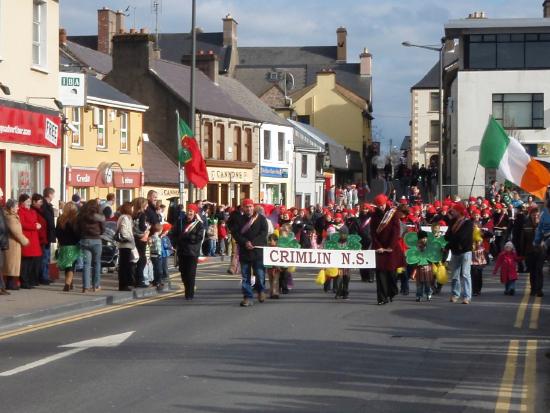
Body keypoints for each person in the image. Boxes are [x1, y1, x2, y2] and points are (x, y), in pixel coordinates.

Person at [233, 198, 268, 307]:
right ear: (243, 208)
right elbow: (236, 234)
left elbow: (264, 233)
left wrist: (253, 242)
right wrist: (245, 242)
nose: (249, 208)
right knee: (245, 276)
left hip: (258, 251)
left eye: (251, 206)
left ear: (253, 207)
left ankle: (261, 290)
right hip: (245, 251)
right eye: (246, 207)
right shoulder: (239, 219)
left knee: (260, 273)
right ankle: (247, 297)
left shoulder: (261, 219)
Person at [370, 194, 402, 305]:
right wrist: (378, 246)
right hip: (380, 248)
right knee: (380, 274)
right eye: (379, 205)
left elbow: (396, 231)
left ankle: (392, 292)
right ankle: (382, 298)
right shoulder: (374, 216)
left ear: (386, 203)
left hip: (391, 248)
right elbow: (373, 233)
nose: (381, 207)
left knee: (391, 273)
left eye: (382, 205)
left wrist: (390, 247)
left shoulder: (393, 214)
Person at [445, 203, 474, 304]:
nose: (453, 212)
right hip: (455, 251)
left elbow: (462, 237)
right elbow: (447, 235)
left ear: (459, 211)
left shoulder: (468, 223)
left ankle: (467, 296)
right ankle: (455, 294)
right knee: (454, 275)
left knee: (466, 274)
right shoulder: (452, 221)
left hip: (465, 251)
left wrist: (450, 242)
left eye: (455, 210)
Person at [176, 203, 204, 300]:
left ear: (195, 212)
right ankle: (187, 288)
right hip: (182, 251)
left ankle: (189, 293)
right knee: (183, 273)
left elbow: (198, 237)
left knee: (190, 273)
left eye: (191, 211)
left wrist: (186, 237)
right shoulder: (180, 222)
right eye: (188, 210)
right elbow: (174, 233)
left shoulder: (199, 224)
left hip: (192, 252)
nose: (189, 212)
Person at [77, 200, 105, 292]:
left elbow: (78, 228)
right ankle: (96, 286)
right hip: (96, 240)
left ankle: (86, 286)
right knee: (97, 263)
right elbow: (103, 229)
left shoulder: (81, 216)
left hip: (85, 240)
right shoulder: (99, 217)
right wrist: (99, 232)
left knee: (86, 264)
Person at [3, 199, 29, 291]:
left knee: (11, 264)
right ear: (11, 208)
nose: (18, 208)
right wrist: (25, 241)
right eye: (16, 206)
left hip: (13, 244)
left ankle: (10, 283)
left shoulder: (11, 216)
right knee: (11, 264)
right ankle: (10, 284)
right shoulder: (10, 218)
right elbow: (16, 232)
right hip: (12, 244)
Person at [55, 202, 81, 292]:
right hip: (73, 245)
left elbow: (57, 232)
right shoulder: (76, 219)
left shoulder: (60, 219)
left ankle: (70, 283)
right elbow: (77, 233)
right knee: (71, 265)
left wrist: (60, 241)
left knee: (67, 265)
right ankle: (67, 284)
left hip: (63, 245)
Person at [18, 193, 42, 289]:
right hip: (27, 237)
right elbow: (22, 224)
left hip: (34, 238)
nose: (29, 203)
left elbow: (35, 221)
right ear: (22, 202)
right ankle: (24, 281)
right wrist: (34, 226)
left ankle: (30, 280)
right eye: (27, 201)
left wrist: (37, 224)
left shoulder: (32, 211)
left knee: (32, 261)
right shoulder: (20, 211)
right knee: (26, 262)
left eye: (29, 201)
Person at [116, 202, 136, 291]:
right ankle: (123, 285)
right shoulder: (124, 218)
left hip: (127, 244)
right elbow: (124, 231)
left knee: (126, 264)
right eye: (131, 208)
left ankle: (126, 283)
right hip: (125, 244)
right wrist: (130, 238)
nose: (132, 209)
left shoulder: (126, 218)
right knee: (124, 265)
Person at [132, 197, 150, 288]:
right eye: (146, 204)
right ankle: (140, 280)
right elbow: (142, 227)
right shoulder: (142, 215)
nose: (147, 205)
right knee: (142, 260)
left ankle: (136, 280)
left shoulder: (134, 214)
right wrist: (148, 228)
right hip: (141, 238)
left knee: (137, 259)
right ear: (143, 205)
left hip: (134, 238)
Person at [411, 230, 434, 302]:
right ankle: (418, 295)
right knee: (419, 283)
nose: (424, 239)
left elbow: (432, 255)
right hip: (419, 267)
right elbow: (413, 256)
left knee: (427, 282)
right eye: (422, 238)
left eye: (425, 238)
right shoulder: (416, 246)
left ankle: (428, 294)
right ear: (419, 239)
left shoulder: (429, 246)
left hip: (428, 266)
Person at [40, 187, 56, 285]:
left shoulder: (48, 205)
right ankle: (44, 277)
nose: (54, 196)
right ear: (49, 194)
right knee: (45, 256)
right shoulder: (44, 206)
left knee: (47, 256)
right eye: (53, 194)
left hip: (48, 234)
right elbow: (48, 220)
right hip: (45, 234)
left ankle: (46, 276)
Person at [266, 234, 280, 299]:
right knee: (271, 280)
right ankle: (271, 292)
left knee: (275, 280)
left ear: (276, 241)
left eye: (270, 240)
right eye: (268, 240)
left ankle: (275, 292)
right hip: (269, 267)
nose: (269, 242)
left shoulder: (278, 248)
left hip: (276, 267)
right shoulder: (267, 248)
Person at [0, 190, 9, 294]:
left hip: (1, 240)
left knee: (1, 265)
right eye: (1, 196)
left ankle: (2, 287)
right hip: (1, 239)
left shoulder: (1, 209)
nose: (2, 198)